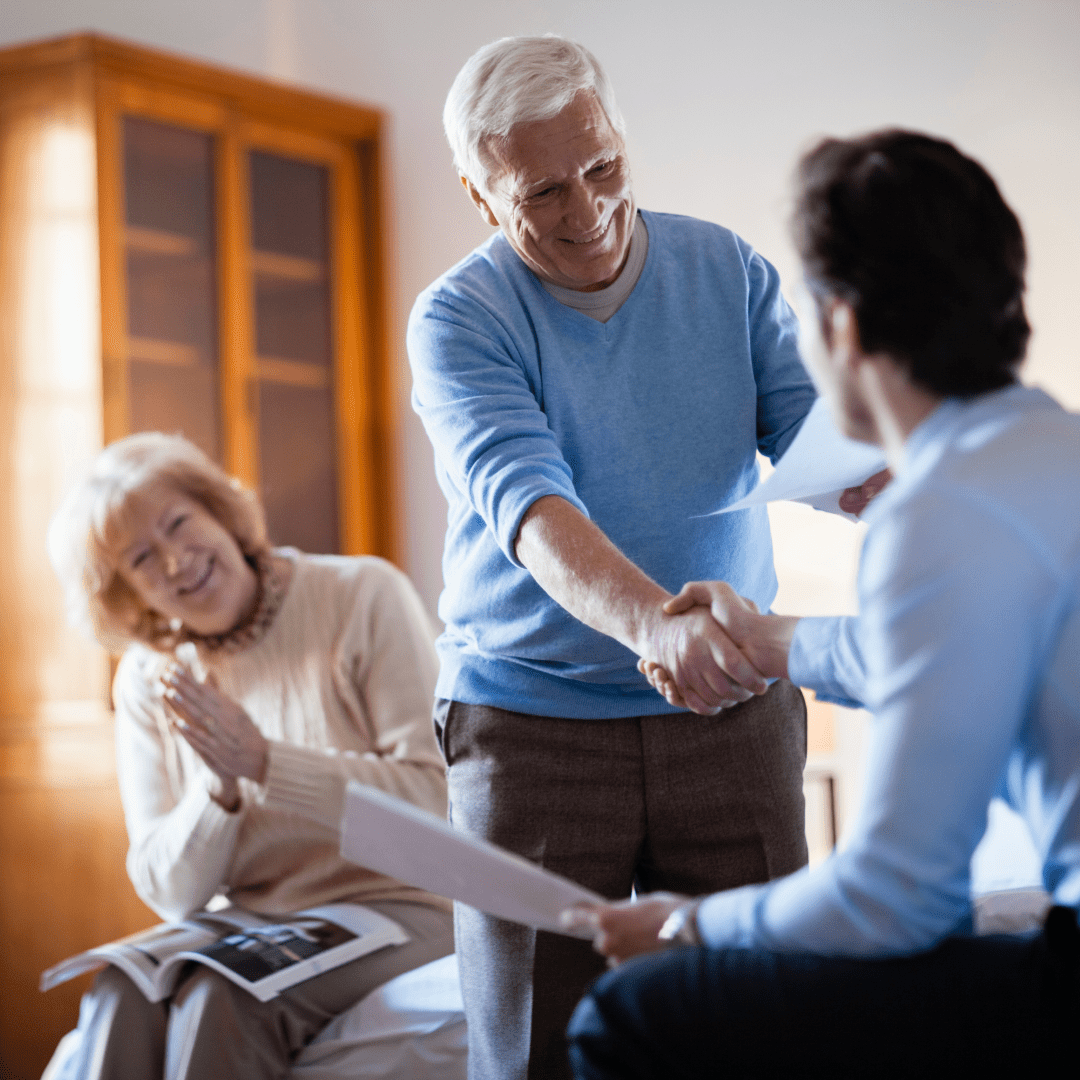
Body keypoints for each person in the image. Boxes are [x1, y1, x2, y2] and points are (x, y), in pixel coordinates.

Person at [406, 34, 893, 1080]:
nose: (585, 212)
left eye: (603, 168)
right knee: (533, 1051)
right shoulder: (459, 318)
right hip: (530, 727)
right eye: (540, 192)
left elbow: (823, 444)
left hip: (729, 711)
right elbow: (529, 504)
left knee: (758, 1030)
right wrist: (652, 625)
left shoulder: (727, 271)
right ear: (479, 194)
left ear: (622, 139)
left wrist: (883, 483)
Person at [564, 129, 1080, 1078]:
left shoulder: (940, 508)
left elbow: (895, 898)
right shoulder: (1051, 455)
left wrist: (690, 924)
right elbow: (943, 653)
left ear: (839, 324)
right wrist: (770, 644)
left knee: (632, 1013)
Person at [44, 432, 455, 1080]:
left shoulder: (361, 595)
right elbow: (170, 892)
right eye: (143, 559)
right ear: (128, 594)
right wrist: (219, 790)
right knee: (121, 990)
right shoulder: (149, 679)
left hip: (403, 903)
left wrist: (266, 762)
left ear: (222, 513)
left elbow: (439, 806)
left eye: (179, 522)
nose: (178, 562)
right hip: (256, 917)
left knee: (224, 997)